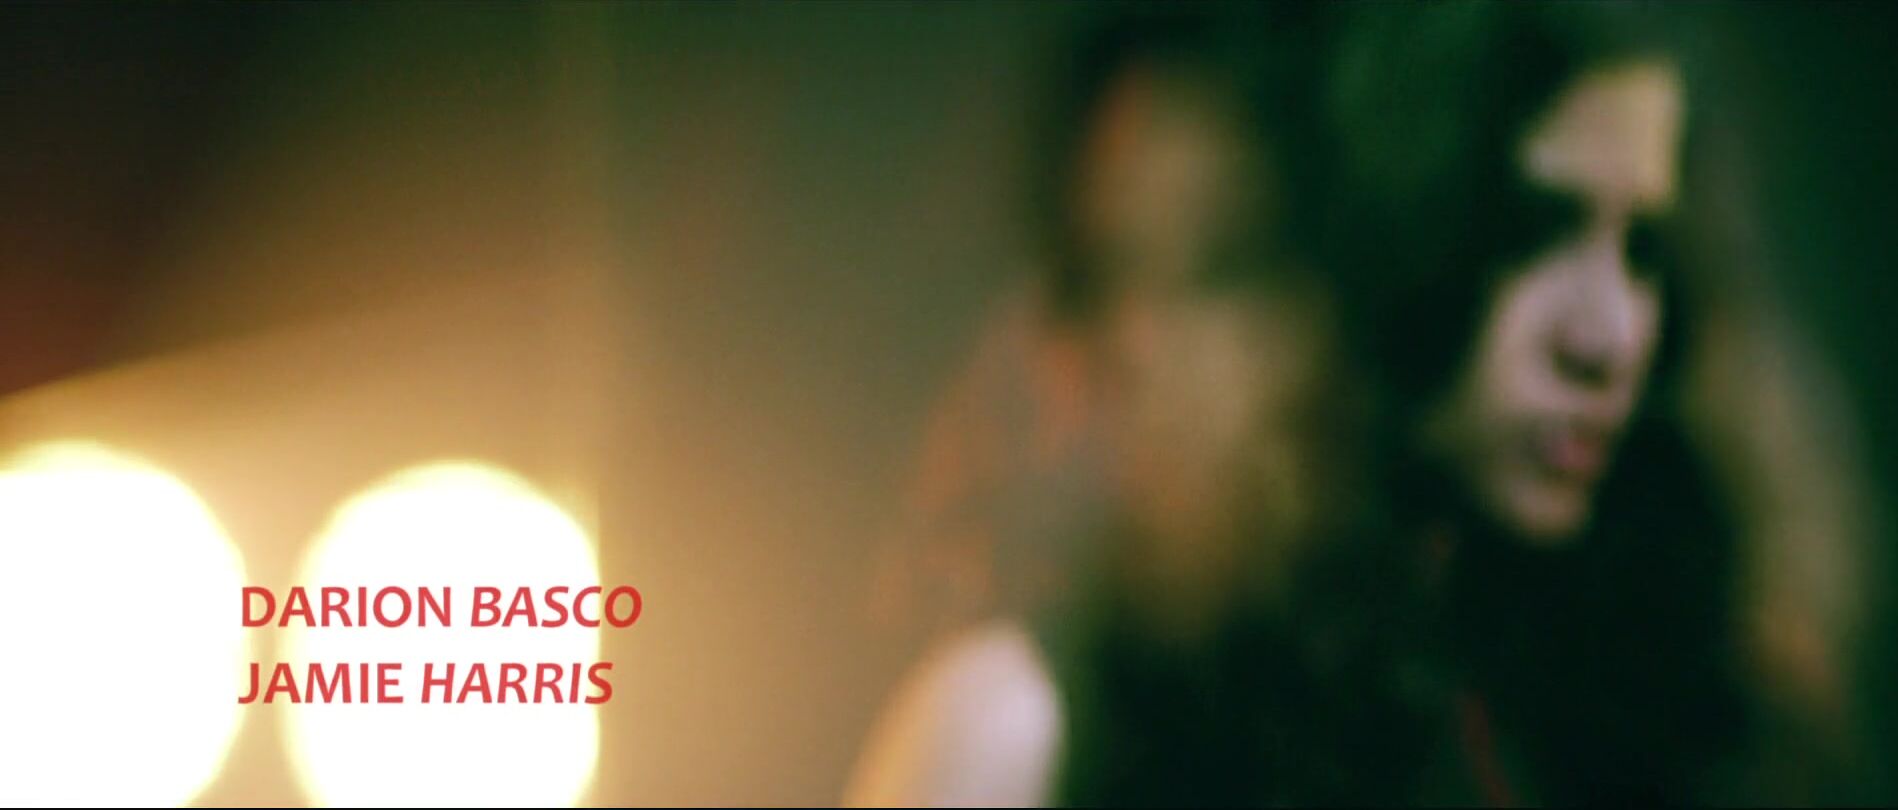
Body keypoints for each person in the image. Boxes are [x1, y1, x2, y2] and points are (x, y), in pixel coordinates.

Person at [1318, 3, 1873, 803]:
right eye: (1536, 230)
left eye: (1642, 251)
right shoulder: (1270, 651)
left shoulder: (1666, 657)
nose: (1607, 338)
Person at [847, 7, 1351, 805]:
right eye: (1098, 279)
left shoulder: (1437, 710)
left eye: (1216, 264)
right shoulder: (1005, 720)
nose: (1134, 345)